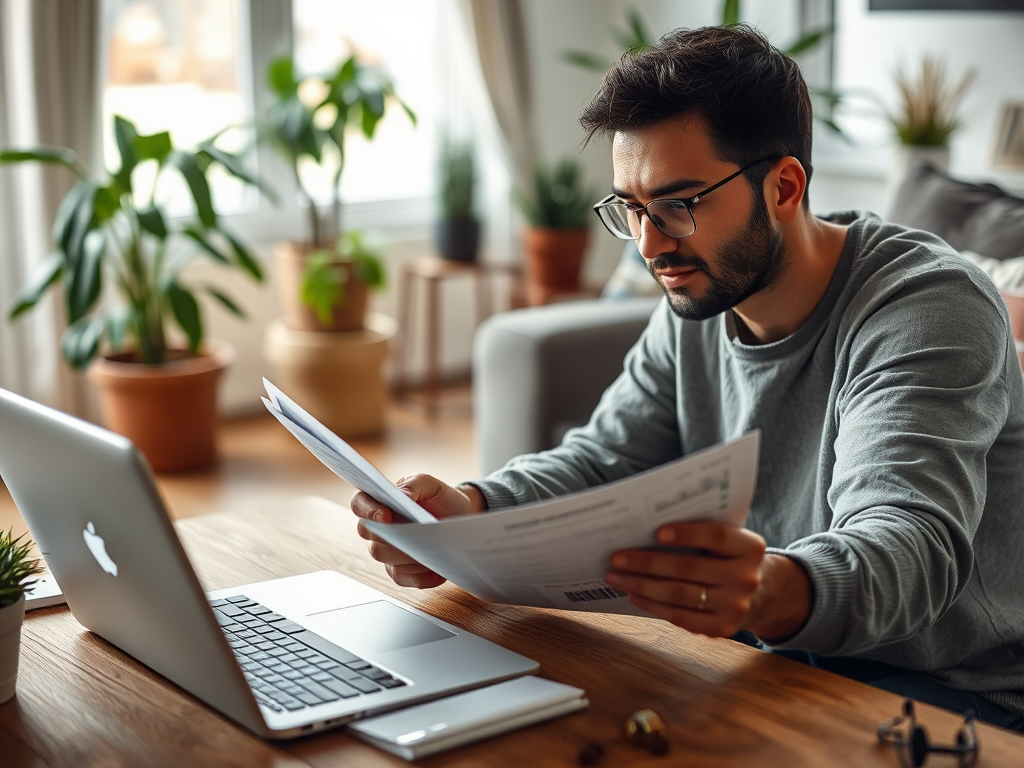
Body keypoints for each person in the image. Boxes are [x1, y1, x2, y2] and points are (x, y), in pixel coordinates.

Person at [352, 25, 1024, 729]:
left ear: (785, 186)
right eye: (631, 209)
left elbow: (909, 544)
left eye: (678, 204)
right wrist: (465, 512)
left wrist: (765, 590)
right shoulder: (700, 301)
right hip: (768, 660)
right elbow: (601, 459)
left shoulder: (925, 306)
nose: (649, 243)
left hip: (944, 696)